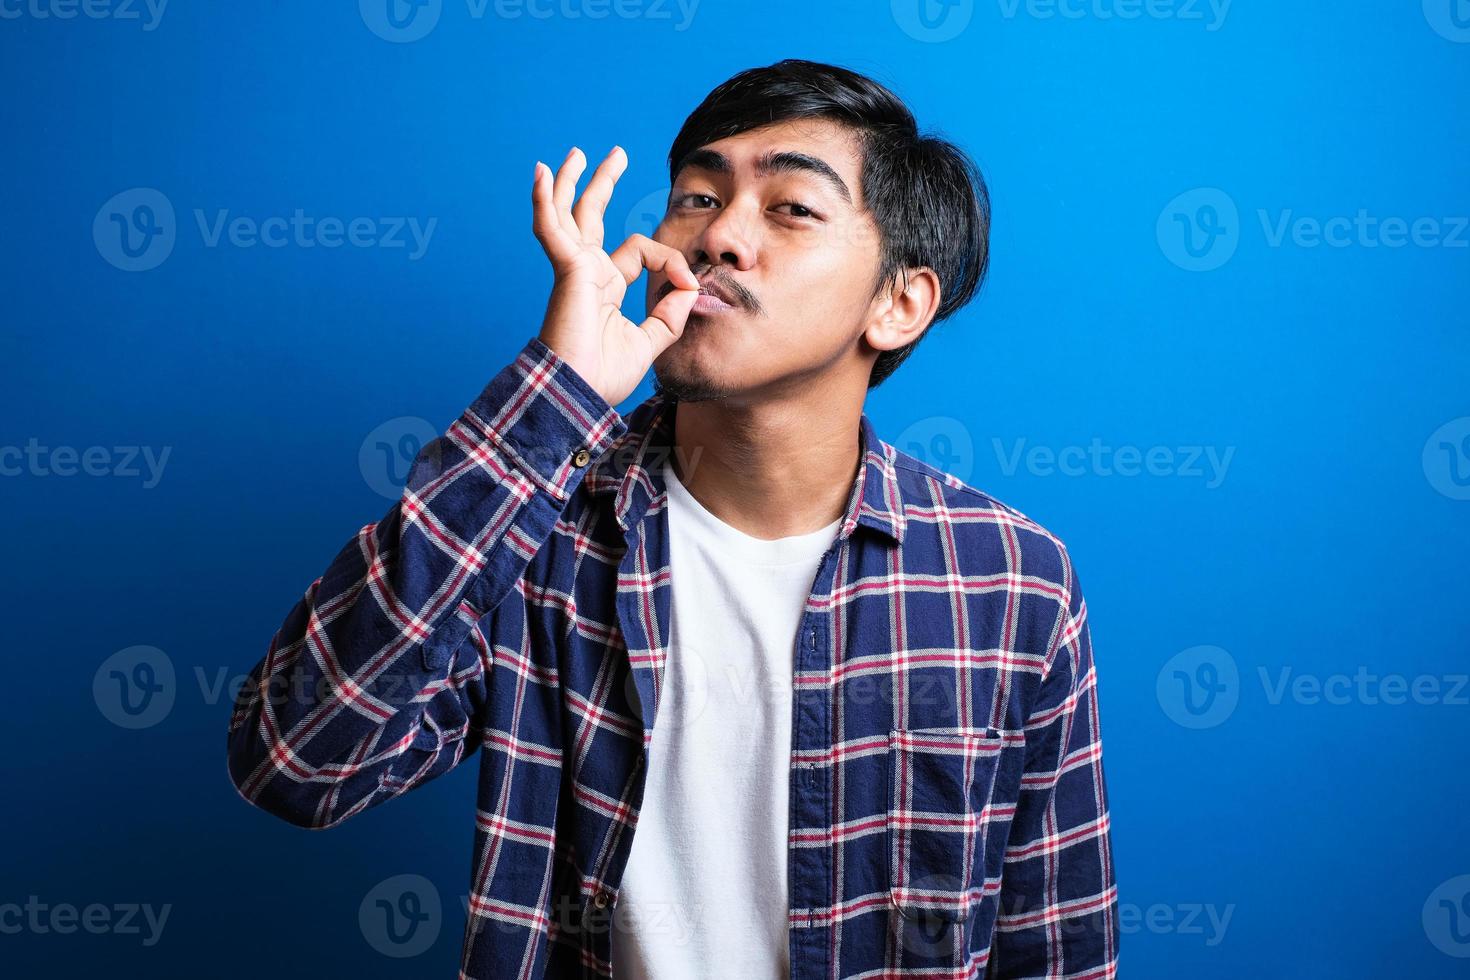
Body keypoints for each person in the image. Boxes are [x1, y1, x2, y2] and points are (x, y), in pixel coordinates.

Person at [226, 58, 1119, 980]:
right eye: (695, 196)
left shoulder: (1011, 580)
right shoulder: (539, 532)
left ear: (897, 304)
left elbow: (1058, 947)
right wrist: (555, 401)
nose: (719, 237)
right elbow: (294, 761)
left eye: (791, 208)